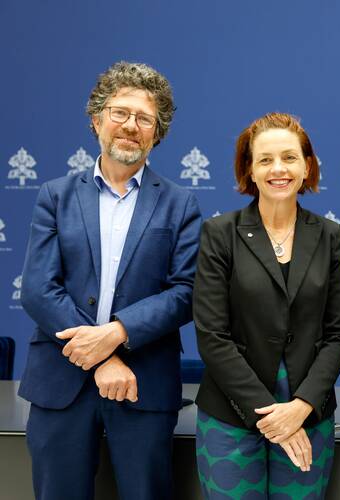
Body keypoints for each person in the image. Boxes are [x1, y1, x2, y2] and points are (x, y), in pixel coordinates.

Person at [18, 61, 202, 499]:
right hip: (61, 381)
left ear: (157, 133)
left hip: (144, 383)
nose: (130, 126)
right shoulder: (55, 195)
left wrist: (117, 333)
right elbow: (39, 289)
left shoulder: (180, 204)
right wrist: (102, 356)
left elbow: (185, 292)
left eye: (144, 118)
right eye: (120, 113)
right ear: (97, 119)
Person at [192, 112, 340, 499]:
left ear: (307, 165)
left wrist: (300, 408)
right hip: (231, 414)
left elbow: (338, 334)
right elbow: (212, 336)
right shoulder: (220, 234)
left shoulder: (331, 236)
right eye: (265, 159)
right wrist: (272, 414)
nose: (278, 169)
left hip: (308, 413)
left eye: (289, 157)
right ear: (249, 169)